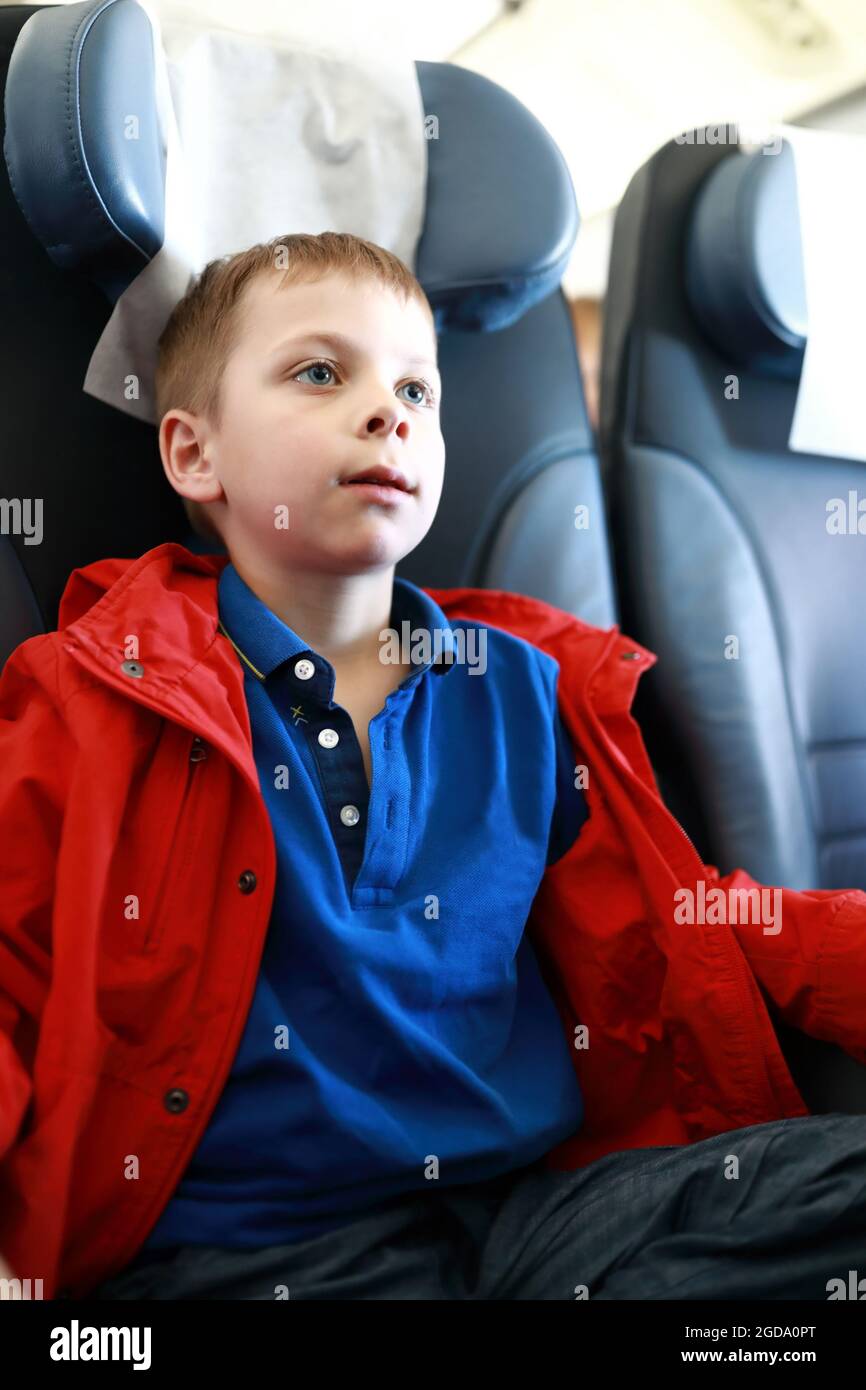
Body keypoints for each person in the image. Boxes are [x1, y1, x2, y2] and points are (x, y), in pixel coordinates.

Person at [2, 232, 866, 1303]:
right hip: (251, 1253)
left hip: (535, 1219)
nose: (387, 410)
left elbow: (683, 919)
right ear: (194, 455)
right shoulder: (97, 691)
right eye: (321, 372)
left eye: (417, 386)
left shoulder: (524, 687)